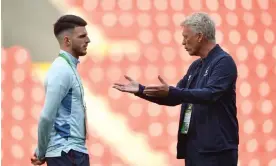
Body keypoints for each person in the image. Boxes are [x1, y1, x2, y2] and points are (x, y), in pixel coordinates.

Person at [113, 12, 239, 166]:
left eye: (186, 37)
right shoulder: (196, 66)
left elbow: (210, 94)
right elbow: (174, 97)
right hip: (194, 149)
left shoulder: (223, 62)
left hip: (217, 152)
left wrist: (173, 92)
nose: (183, 42)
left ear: (199, 36)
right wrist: (141, 90)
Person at [31, 14, 90, 166]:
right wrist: (41, 151)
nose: (88, 40)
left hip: (72, 152)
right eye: (82, 36)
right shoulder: (61, 69)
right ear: (67, 41)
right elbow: (46, 116)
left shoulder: (68, 67)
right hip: (67, 153)